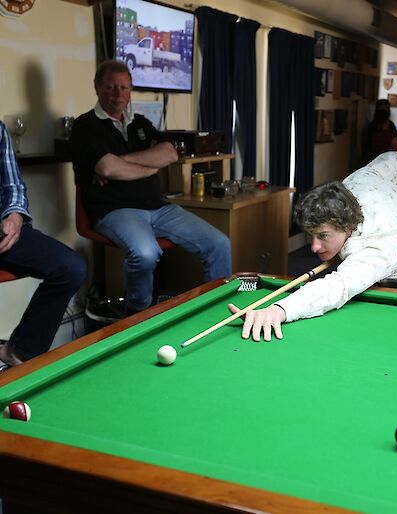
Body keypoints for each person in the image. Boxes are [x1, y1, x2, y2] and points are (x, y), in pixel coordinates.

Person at [229, 151, 397, 341]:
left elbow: (338, 286)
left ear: (347, 227)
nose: (314, 247)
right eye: (310, 236)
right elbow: (396, 158)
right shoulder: (359, 181)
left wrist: (279, 310)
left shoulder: (375, 248)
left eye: (323, 236)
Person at [70, 60, 231, 314]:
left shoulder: (140, 123)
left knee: (219, 243)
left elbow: (168, 154)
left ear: (130, 89)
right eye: (111, 87)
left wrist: (120, 160)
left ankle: (215, 309)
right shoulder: (84, 126)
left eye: (123, 88)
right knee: (145, 253)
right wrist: (145, 163)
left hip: (158, 209)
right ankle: (137, 315)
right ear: (97, 88)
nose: (118, 94)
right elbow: (107, 169)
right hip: (114, 211)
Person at [0, 121, 86, 372]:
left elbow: (13, 186)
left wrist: (15, 216)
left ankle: (18, 352)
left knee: (70, 267)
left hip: (3, 234)